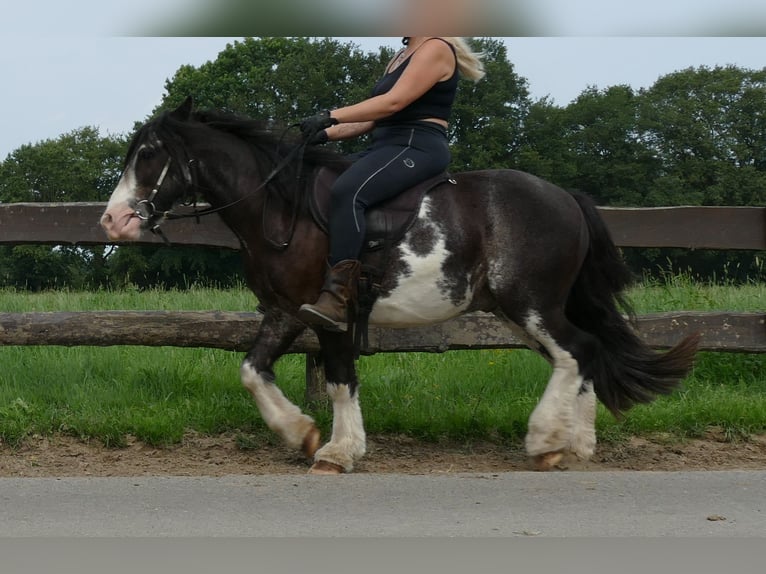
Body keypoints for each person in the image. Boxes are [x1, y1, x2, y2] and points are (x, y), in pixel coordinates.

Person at [296, 36, 486, 332]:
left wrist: (329, 116)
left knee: (349, 192)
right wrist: (323, 134)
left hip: (417, 146)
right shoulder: (400, 55)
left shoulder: (435, 48)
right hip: (385, 145)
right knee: (317, 178)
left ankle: (337, 297)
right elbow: (374, 118)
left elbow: (392, 102)